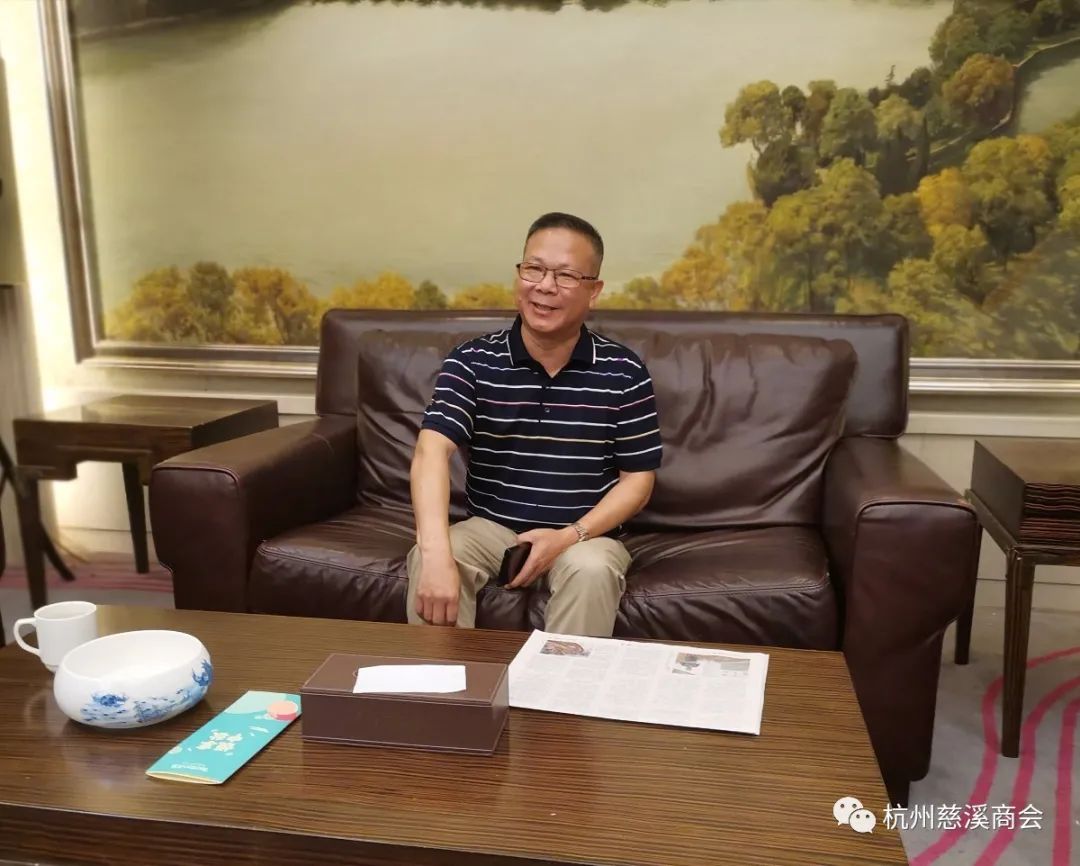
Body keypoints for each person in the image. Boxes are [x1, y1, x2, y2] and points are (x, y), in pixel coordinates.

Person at [406, 212, 662, 637]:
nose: (545, 286)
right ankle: (447, 681)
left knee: (593, 570)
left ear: (594, 291)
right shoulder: (472, 362)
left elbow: (638, 480)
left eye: (565, 275)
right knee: (435, 554)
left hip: (584, 536)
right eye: (534, 269)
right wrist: (434, 554)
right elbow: (431, 450)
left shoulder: (624, 371)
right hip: (491, 529)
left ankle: (560, 685)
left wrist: (568, 537)